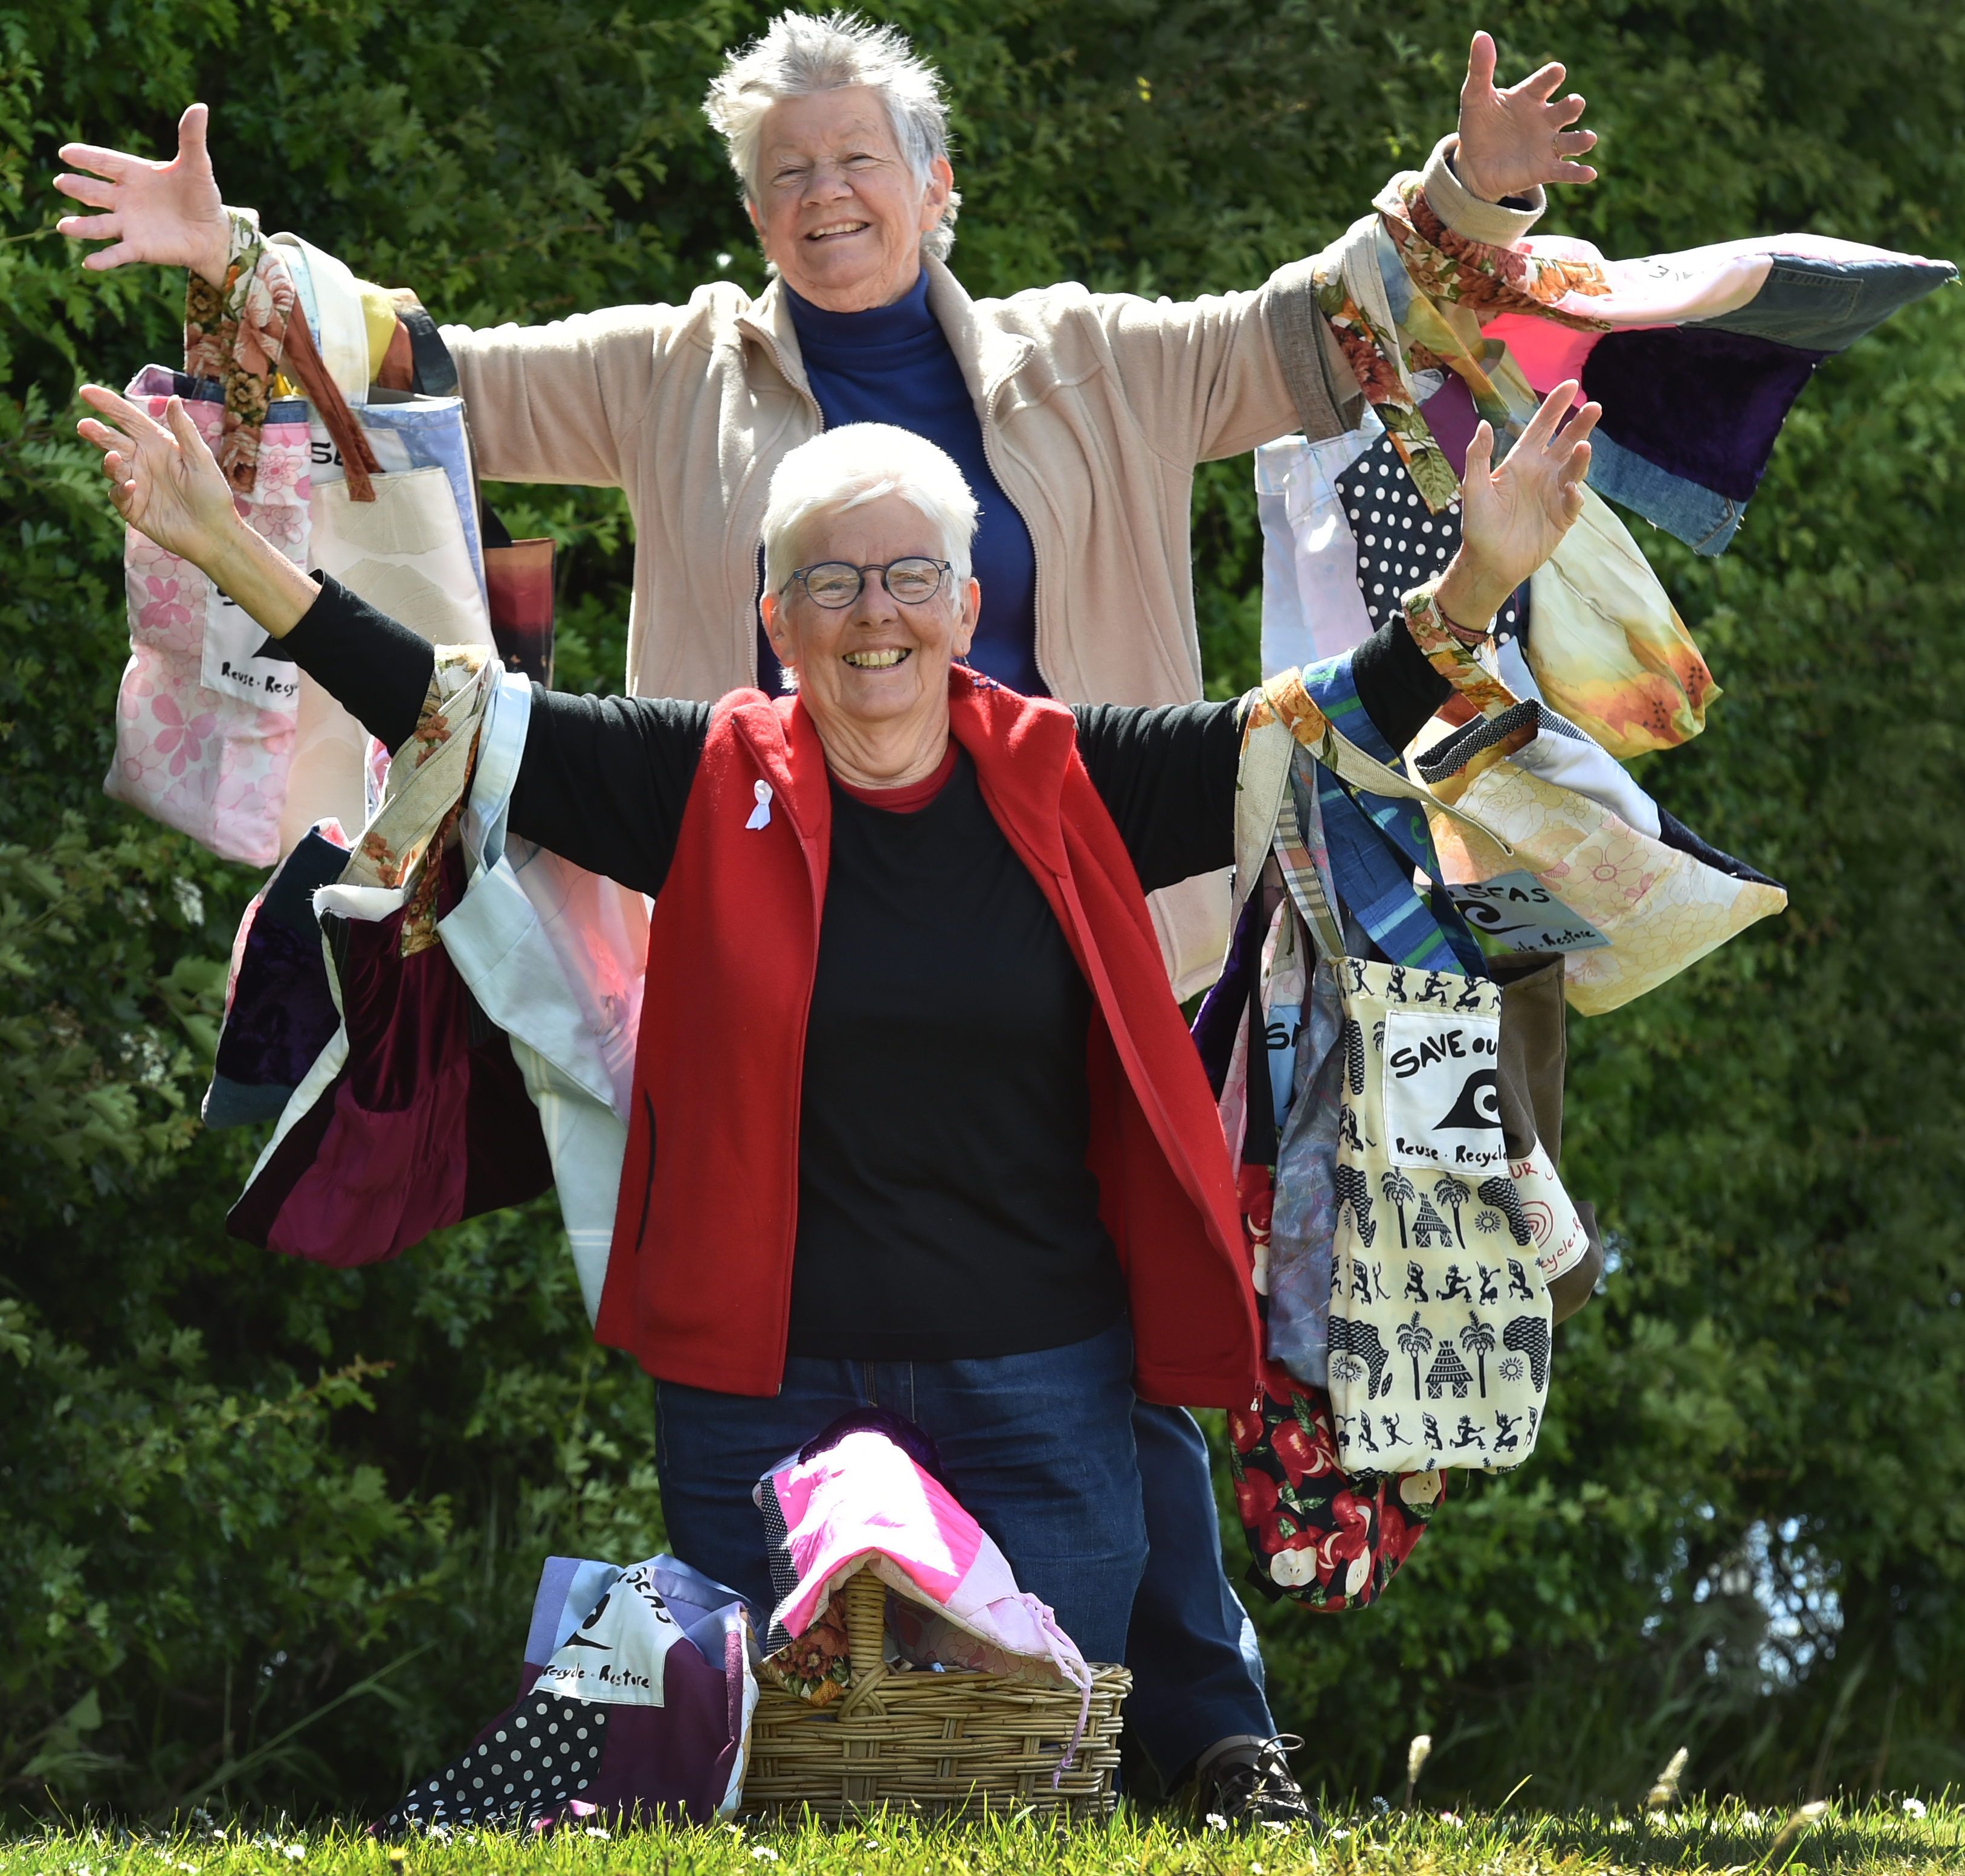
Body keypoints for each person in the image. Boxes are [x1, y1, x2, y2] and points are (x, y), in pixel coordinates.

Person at [57, 13, 1598, 1817]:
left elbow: (1317, 339)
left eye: (857, 157)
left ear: (938, 183)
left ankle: (1199, 1728)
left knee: (1128, 1351)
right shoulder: (675, 387)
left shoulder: (1091, 360)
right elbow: (421, 380)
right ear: (785, 611)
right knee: (776, 1324)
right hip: (762, 906)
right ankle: (773, 1708)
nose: (822, 193)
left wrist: (1468, 205)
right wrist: (246, 270)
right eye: (783, 170)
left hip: (1096, 896)